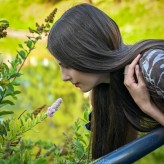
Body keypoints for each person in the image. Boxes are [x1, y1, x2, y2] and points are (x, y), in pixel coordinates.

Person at [47, 3, 164, 159]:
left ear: (88, 51)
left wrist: (147, 107)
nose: (64, 77)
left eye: (67, 65)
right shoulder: (111, 89)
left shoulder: (153, 66)